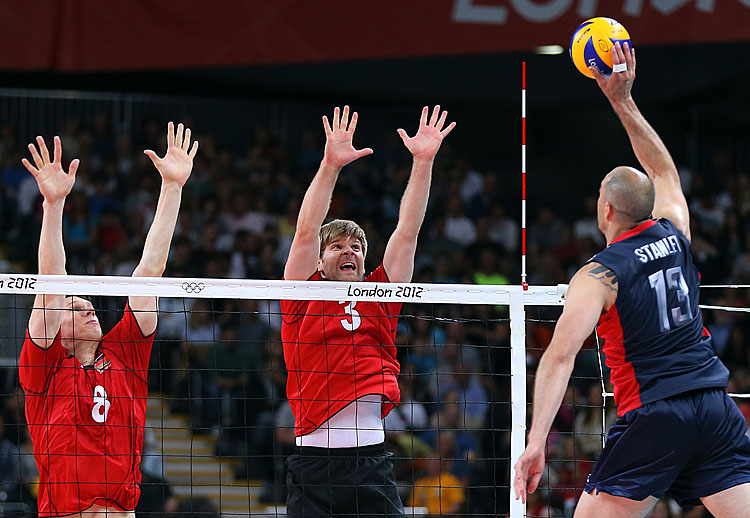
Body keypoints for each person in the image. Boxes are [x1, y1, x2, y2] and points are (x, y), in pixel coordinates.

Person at [513, 43, 750, 517]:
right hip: (714, 407)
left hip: (655, 415)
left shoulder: (598, 275)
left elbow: (559, 356)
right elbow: (662, 168)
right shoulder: (676, 232)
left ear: (604, 210)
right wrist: (622, 99)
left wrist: (535, 441)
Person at [281, 105, 455, 517]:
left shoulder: (382, 295)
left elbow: (407, 232)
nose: (349, 251)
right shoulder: (300, 294)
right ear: (320, 262)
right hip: (313, 466)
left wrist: (423, 162)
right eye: (338, 246)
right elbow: (306, 229)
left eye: (356, 247)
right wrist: (329, 166)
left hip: (370, 460)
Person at [19, 122, 197, 517]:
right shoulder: (43, 372)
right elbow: (51, 284)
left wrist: (172, 188)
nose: (89, 310)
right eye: (75, 308)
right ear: (56, 328)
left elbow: (150, 271)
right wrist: (53, 205)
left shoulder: (125, 356)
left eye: (89, 306)